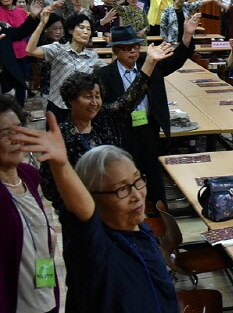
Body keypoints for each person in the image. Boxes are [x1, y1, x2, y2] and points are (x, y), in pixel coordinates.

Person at [13, 121, 179, 313]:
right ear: (92, 198)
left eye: (137, 180)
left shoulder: (140, 229)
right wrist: (61, 165)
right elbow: (82, 215)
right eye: (122, 189)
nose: (137, 195)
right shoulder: (93, 248)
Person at [41, 40, 175, 213]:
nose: (94, 102)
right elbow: (49, 187)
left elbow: (129, 98)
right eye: (87, 97)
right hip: (83, 211)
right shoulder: (61, 136)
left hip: (116, 205)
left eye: (97, 96)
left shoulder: (104, 118)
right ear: (71, 101)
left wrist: (149, 63)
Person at [97, 19, 197, 207]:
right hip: (123, 131)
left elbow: (176, 59)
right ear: (116, 51)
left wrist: (187, 35)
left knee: (154, 173)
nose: (133, 51)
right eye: (127, 48)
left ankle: (160, 212)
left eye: (136, 46)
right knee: (126, 175)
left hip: (148, 126)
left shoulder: (151, 63)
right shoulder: (104, 75)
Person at [0, 95, 59, 313]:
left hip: (45, 297)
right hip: (13, 309)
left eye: (18, 129)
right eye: (6, 133)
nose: (16, 139)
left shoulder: (29, 175)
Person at [26, 14, 108, 123]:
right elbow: (30, 50)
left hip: (81, 108)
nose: (85, 32)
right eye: (81, 27)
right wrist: (42, 24)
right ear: (70, 30)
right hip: (58, 107)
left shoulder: (92, 56)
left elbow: (110, 71)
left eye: (88, 29)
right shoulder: (58, 49)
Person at [0, 0, 33, 106]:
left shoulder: (21, 12)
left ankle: (20, 107)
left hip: (21, 51)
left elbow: (27, 30)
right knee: (7, 82)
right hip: (5, 53)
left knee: (21, 80)